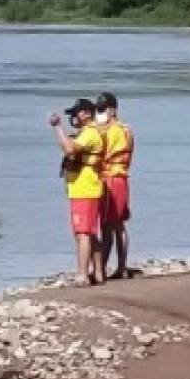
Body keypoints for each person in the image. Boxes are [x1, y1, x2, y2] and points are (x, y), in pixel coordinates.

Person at [48, 98, 106, 286]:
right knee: (89, 233)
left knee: (82, 234)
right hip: (85, 188)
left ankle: (82, 274)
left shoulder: (89, 133)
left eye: (77, 112)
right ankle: (98, 272)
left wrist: (57, 127)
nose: (74, 116)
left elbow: (69, 148)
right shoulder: (88, 133)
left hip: (85, 188)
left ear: (87, 113)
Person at [95, 91, 134, 279]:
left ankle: (116, 267)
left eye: (103, 109)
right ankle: (111, 266)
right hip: (113, 178)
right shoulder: (123, 129)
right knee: (110, 225)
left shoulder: (117, 129)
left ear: (112, 110)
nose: (100, 113)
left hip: (114, 178)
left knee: (114, 224)